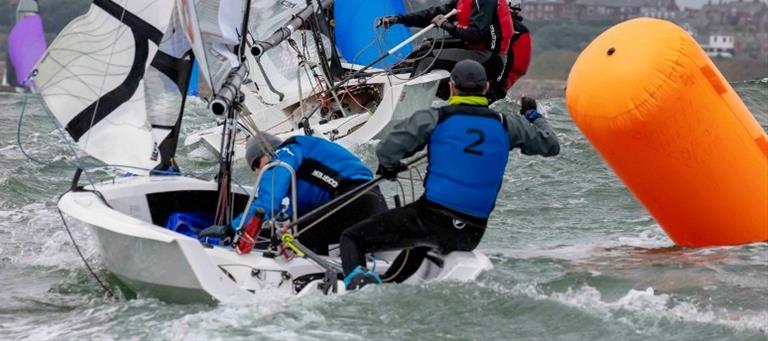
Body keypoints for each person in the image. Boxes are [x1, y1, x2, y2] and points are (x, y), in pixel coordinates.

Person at [339, 59, 559, 289]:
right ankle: (390, 282)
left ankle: (356, 287)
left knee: (351, 238)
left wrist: (390, 166)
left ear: (452, 87)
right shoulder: (507, 124)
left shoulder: (437, 117)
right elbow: (551, 145)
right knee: (419, 243)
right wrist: (533, 115)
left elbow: (387, 150)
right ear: (485, 88)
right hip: (471, 233)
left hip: (430, 220)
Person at [199, 133, 386, 255]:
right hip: (372, 204)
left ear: (268, 151)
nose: (258, 171)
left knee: (292, 237)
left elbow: (269, 201)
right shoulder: (299, 174)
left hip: (354, 201)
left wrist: (232, 228)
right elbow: (285, 213)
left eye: (257, 163)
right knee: (295, 231)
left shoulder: (286, 151)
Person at [378, 0, 513, 99]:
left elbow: (477, 34)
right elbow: (431, 14)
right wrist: (398, 19)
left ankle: (404, 99)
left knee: (427, 57)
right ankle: (386, 81)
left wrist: (446, 26)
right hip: (473, 50)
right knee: (424, 49)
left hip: (489, 58)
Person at [495, 0, 532, 99]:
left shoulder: (512, 26)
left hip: (510, 69)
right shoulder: (518, 26)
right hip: (515, 70)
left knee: (495, 91)